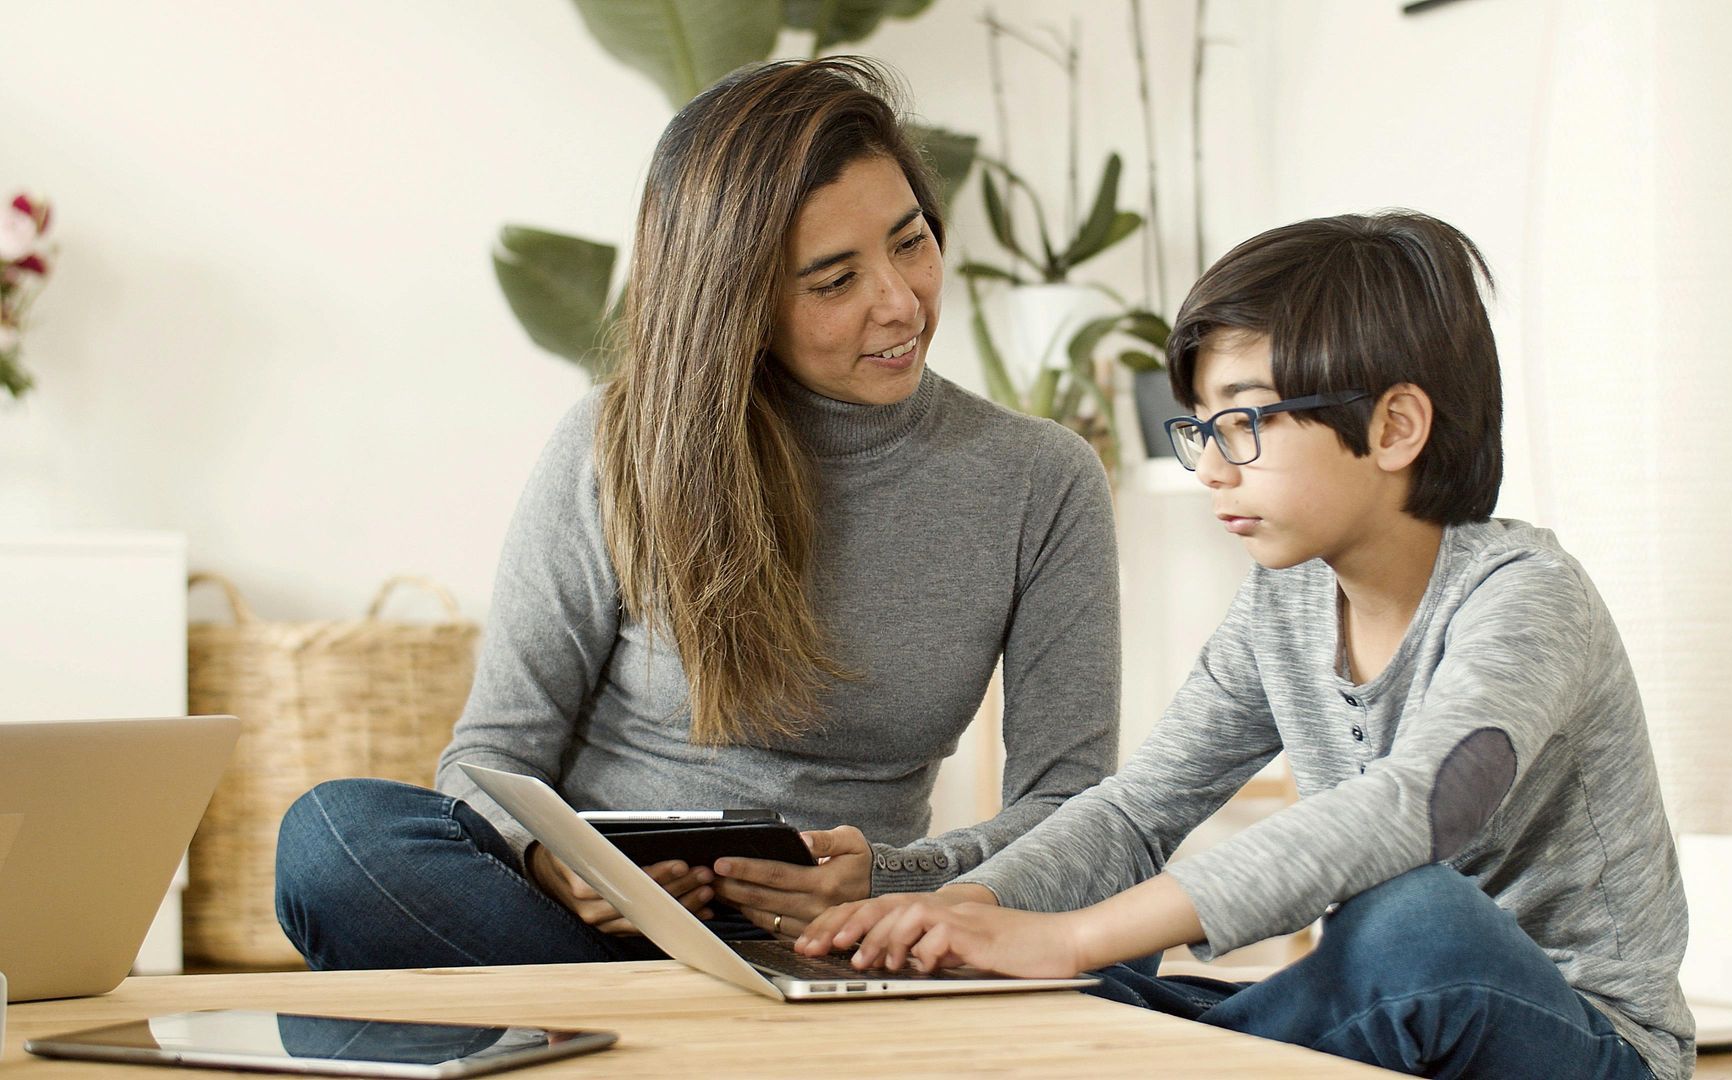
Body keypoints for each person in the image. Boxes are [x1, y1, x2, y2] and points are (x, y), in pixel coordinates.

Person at [799, 211, 1696, 1079]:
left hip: (1589, 1042)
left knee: (1413, 919)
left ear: (1394, 427)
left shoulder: (1526, 595)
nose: (1212, 469)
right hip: (1389, 1024)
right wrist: (972, 906)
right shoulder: (1285, 604)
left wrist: (1067, 937)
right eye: (1200, 429)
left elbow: (1421, 807)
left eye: (1244, 423)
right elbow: (1138, 812)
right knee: (1089, 956)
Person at [273, 57, 1119, 970]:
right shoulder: (617, 444)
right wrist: (558, 864)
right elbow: (493, 753)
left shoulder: (1042, 479)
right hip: (587, 936)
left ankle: (645, 1039)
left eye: (910, 242)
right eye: (834, 281)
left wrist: (893, 877)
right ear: (741, 303)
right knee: (334, 836)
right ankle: (688, 1026)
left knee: (1119, 915)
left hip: (851, 945)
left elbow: (1070, 810)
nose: (900, 300)